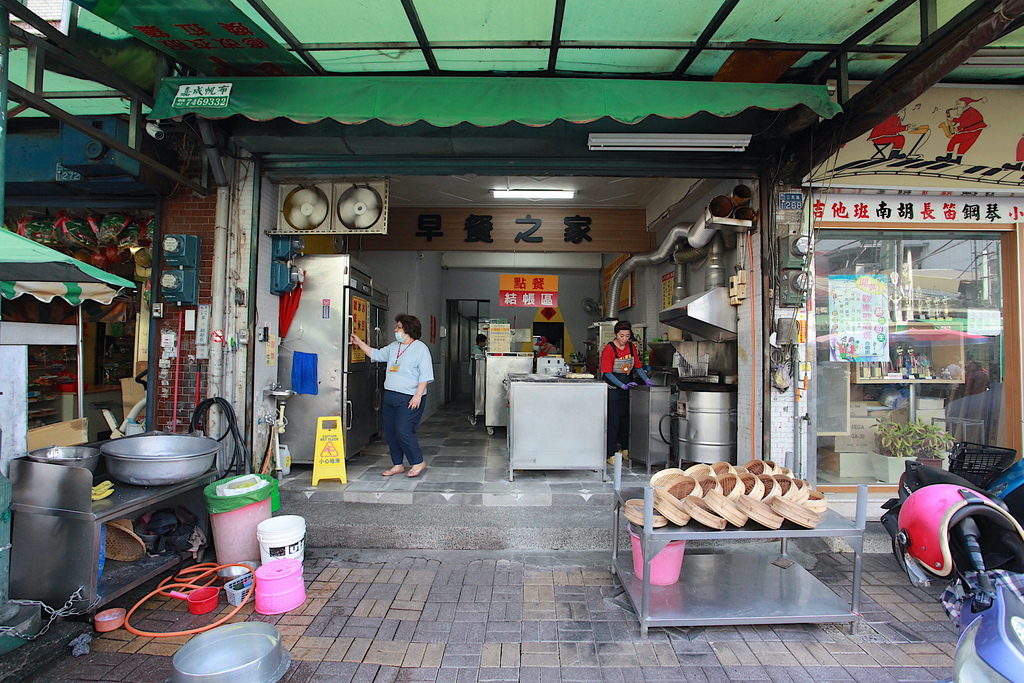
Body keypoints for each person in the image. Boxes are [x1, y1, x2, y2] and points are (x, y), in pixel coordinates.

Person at [349, 314, 434, 477]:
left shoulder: (421, 349)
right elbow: (375, 355)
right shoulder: (394, 346)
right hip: (391, 396)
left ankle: (418, 461)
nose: (396, 330)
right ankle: (397, 464)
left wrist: (418, 395)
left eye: (399, 327)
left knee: (404, 430)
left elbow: (426, 375)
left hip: (410, 398)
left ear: (408, 329)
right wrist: (359, 342)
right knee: (390, 431)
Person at [601, 320, 652, 460]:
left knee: (626, 421)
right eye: (621, 336)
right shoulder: (609, 349)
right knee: (614, 422)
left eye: (627, 336)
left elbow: (637, 366)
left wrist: (646, 379)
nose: (624, 339)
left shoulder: (631, 347)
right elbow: (607, 373)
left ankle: (625, 449)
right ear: (616, 334)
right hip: (613, 390)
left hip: (627, 390)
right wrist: (621, 385)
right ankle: (610, 453)